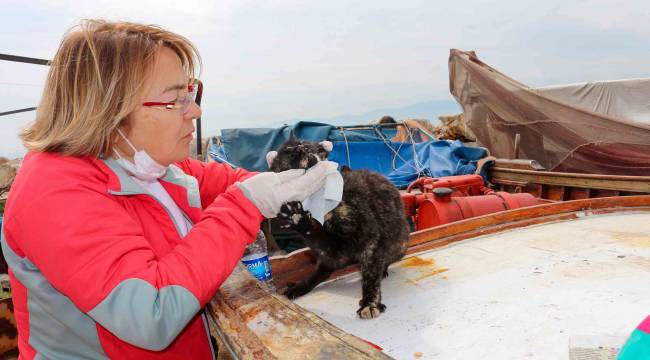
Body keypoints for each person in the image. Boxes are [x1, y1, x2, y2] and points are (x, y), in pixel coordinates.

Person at [0, 20, 332, 359]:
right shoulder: (53, 191)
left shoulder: (148, 165)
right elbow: (151, 314)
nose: (196, 111)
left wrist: (295, 181)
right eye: (176, 99)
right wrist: (243, 207)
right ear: (110, 109)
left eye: (191, 93)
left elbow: (237, 183)